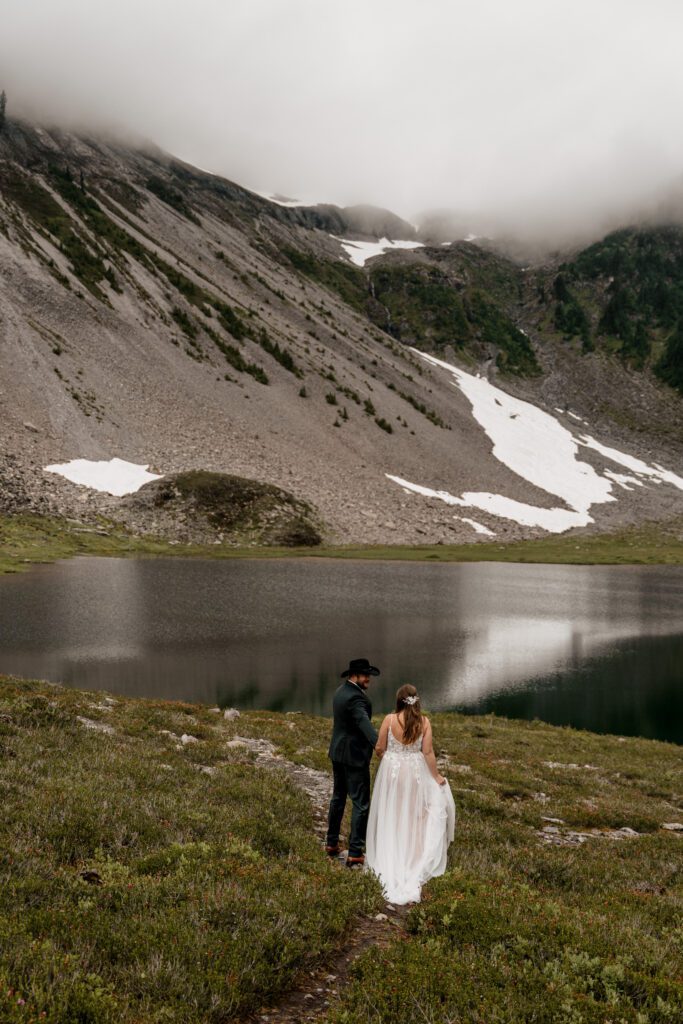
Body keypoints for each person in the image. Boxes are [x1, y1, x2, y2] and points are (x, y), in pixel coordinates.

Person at [366, 683, 455, 905]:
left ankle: (393, 856)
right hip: (415, 774)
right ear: (417, 700)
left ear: (399, 700)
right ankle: (413, 860)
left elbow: (379, 747)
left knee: (394, 815)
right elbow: (428, 752)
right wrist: (435, 777)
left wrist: (388, 757)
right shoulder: (424, 722)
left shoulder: (389, 719)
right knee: (416, 816)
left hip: (393, 774)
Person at [325, 657, 380, 867]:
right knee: (361, 803)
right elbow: (363, 723)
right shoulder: (357, 699)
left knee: (338, 797)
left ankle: (331, 843)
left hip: (337, 753)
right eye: (365, 675)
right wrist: (379, 746)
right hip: (354, 757)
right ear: (354, 675)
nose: (368, 679)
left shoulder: (340, 692)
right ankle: (355, 851)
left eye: (369, 675)